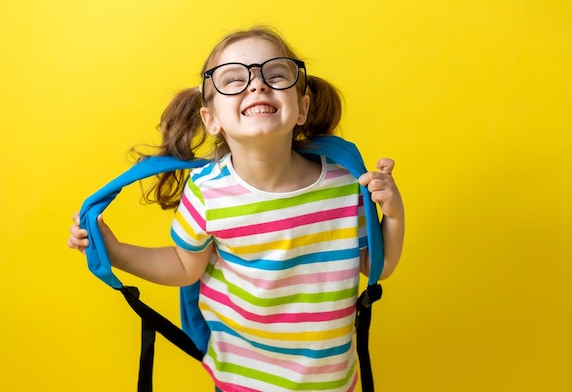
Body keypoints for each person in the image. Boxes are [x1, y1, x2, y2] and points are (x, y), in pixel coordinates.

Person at [68, 26, 404, 392]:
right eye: (233, 79)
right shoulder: (209, 194)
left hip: (332, 381)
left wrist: (394, 215)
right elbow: (184, 267)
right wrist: (114, 252)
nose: (257, 85)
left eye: (275, 74)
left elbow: (378, 266)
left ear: (302, 108)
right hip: (242, 380)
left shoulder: (344, 184)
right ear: (212, 119)